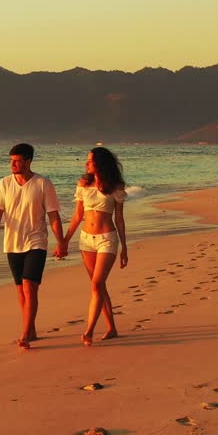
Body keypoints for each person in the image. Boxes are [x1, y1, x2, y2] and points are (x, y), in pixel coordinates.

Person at [0, 143, 67, 349]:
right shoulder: (4, 183)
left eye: (17, 161)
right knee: (20, 291)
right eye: (11, 161)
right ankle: (30, 328)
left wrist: (61, 242)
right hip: (12, 242)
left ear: (28, 161)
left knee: (29, 287)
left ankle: (25, 333)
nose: (13, 164)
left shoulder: (43, 183)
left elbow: (53, 215)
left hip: (36, 241)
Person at [63, 146, 129, 346]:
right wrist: (64, 241)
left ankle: (89, 330)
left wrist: (124, 247)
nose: (86, 164)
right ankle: (112, 328)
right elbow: (77, 216)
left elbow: (119, 218)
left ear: (99, 163)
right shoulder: (83, 184)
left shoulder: (115, 187)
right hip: (86, 240)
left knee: (96, 284)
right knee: (98, 286)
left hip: (107, 238)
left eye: (90, 161)